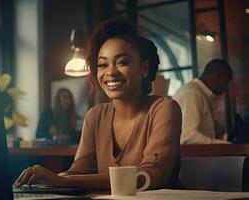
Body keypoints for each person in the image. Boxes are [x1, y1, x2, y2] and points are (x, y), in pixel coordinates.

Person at [14, 18, 182, 190]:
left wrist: (64, 181)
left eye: (122, 62)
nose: (110, 72)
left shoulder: (164, 109)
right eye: (102, 64)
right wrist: (47, 179)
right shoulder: (95, 116)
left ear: (144, 69)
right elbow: (79, 171)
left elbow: (150, 175)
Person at [173, 59, 232, 145]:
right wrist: (226, 146)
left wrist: (212, 128)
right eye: (226, 82)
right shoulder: (192, 94)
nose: (226, 88)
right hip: (192, 157)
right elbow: (188, 137)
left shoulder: (199, 93)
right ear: (218, 76)